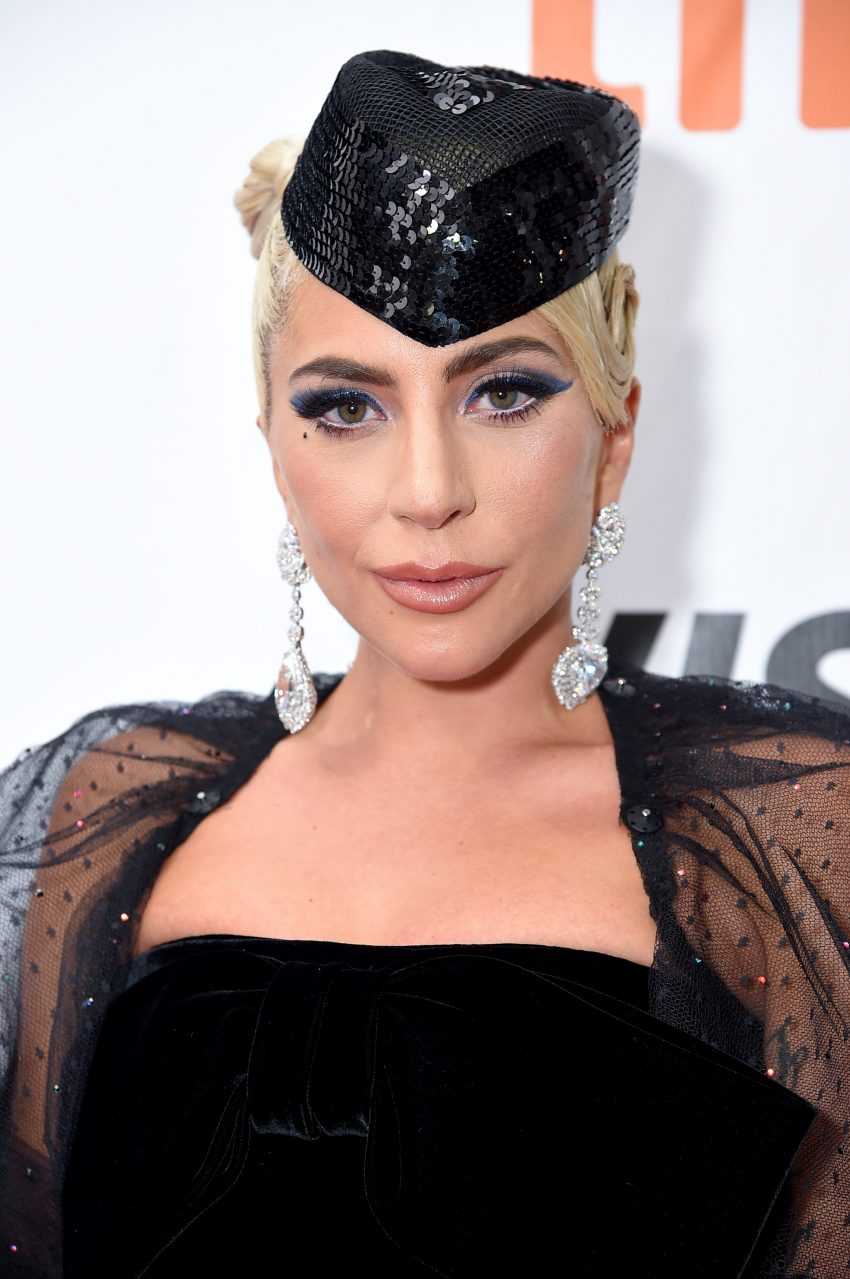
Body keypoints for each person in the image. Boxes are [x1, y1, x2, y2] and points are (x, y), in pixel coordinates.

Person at [0, 48, 848, 1279]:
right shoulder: (115, 809)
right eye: (347, 407)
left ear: (612, 436)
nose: (428, 492)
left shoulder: (782, 831)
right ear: (274, 444)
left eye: (502, 394)